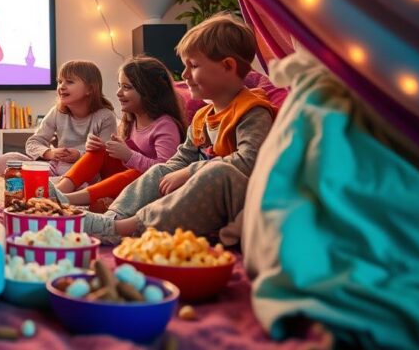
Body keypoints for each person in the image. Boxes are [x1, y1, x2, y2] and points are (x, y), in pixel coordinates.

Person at [70, 14, 277, 244]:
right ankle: (112, 220)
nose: (185, 75)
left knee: (216, 172)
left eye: (194, 66)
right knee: (162, 170)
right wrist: (176, 171)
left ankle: (129, 227)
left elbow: (249, 162)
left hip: (243, 203)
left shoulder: (253, 111)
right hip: (208, 198)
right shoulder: (202, 117)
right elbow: (180, 159)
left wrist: (190, 172)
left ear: (228, 66)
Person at [52, 57, 185, 212]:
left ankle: (68, 199)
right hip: (124, 183)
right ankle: (59, 190)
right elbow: (119, 160)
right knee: (99, 151)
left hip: (149, 188)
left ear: (150, 91)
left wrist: (129, 156)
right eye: (119, 86)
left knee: (138, 173)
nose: (118, 93)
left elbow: (166, 171)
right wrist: (105, 148)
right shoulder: (130, 121)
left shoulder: (165, 126)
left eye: (126, 87)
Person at [0, 60, 117, 177]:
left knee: (83, 176)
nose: (61, 86)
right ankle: (52, 184)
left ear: (89, 89)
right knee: (3, 162)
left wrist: (79, 155)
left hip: (85, 171)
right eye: (60, 81)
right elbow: (33, 142)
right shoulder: (57, 112)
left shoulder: (106, 116)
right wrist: (50, 153)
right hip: (54, 167)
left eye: (69, 82)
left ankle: (48, 184)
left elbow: (107, 156)